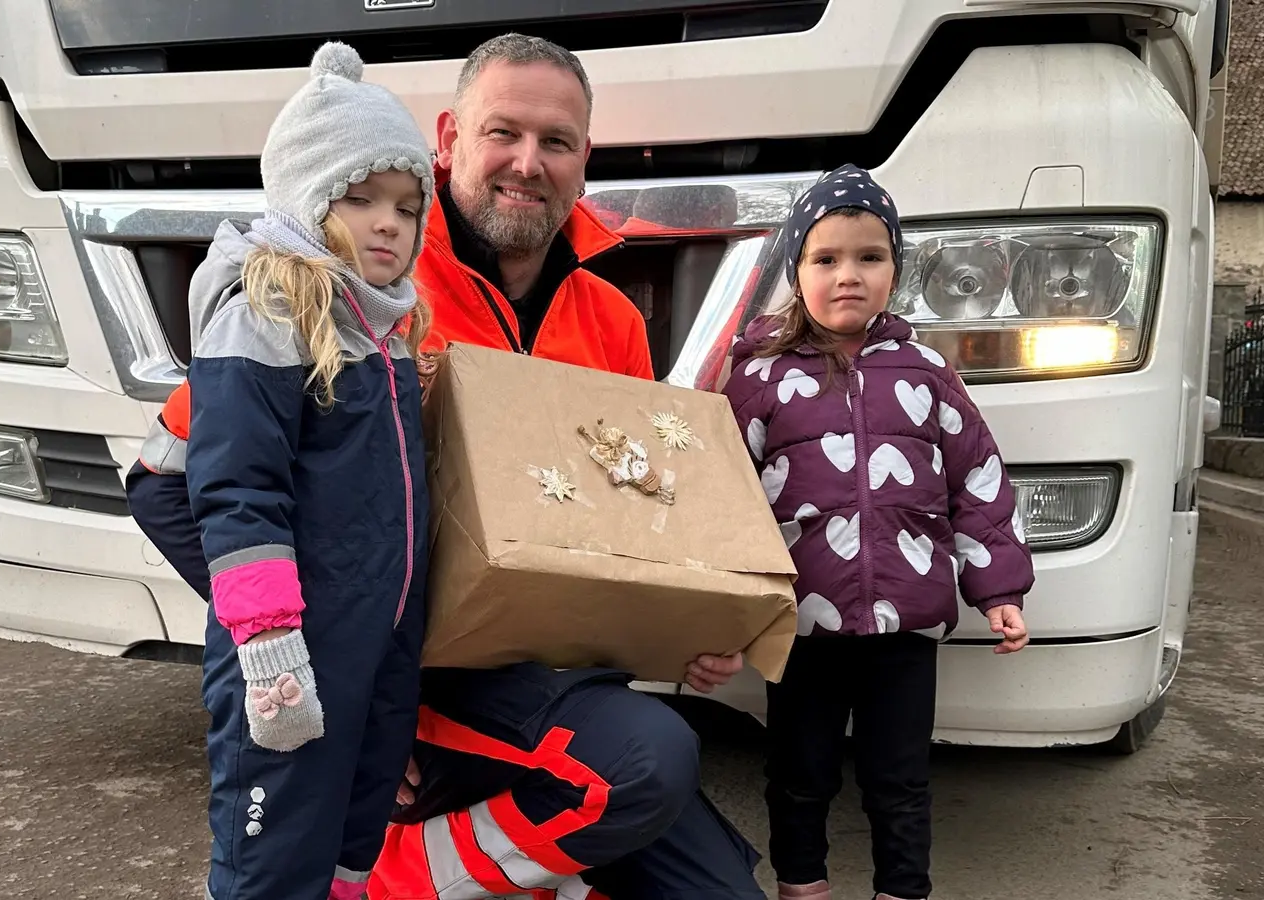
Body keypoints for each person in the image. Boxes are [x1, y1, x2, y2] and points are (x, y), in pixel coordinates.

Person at [126, 34, 765, 900]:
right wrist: (321, 656)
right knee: (647, 762)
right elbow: (166, 483)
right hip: (409, 679)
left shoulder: (612, 316)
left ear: (587, 159)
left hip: (559, 684)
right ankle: (402, 872)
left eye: (557, 142)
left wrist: (690, 630)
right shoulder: (355, 284)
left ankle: (456, 861)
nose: (527, 164)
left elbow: (635, 523)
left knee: (717, 888)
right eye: (503, 132)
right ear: (448, 139)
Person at [123, 43, 436, 900]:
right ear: (306, 195)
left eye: (407, 207)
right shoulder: (265, 317)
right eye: (360, 197)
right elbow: (235, 492)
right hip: (291, 660)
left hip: (375, 654)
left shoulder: (384, 329)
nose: (387, 223)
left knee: (350, 847)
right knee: (271, 866)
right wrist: (267, 644)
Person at [719, 164, 1035, 900]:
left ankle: (903, 888)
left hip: (904, 628)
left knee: (900, 779)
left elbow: (977, 481)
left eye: (870, 257)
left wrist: (998, 587)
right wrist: (725, 608)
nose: (848, 276)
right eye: (825, 259)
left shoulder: (925, 373)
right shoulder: (760, 376)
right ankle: (802, 885)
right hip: (802, 627)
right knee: (799, 772)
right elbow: (726, 495)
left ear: (896, 266)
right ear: (796, 271)